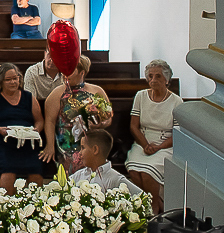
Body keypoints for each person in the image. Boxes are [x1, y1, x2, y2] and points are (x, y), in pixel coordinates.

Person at [125, 59, 182, 213]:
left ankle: (154, 207)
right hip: (144, 142)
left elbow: (178, 133)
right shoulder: (141, 96)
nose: (153, 80)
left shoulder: (176, 102)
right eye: (150, 76)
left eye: (158, 76)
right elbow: (133, 126)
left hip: (165, 144)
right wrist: (145, 145)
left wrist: (159, 146)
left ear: (167, 80)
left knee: (148, 172)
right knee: (134, 171)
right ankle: (152, 204)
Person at [0, 62, 44, 190]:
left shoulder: (29, 97)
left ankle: (35, 203)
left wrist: (36, 129)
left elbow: (39, 120)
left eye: (15, 78)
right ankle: (8, 204)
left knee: (36, 170)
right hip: (3, 142)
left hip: (27, 142)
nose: (13, 82)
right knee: (9, 169)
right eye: (8, 79)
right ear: (1, 81)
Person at [40, 55, 113, 173]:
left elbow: (108, 117)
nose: (65, 73)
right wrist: (50, 146)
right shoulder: (57, 93)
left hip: (92, 142)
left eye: (70, 71)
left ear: (82, 72)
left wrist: (101, 124)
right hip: (67, 144)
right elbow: (50, 121)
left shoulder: (97, 91)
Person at [69, 129, 143, 195]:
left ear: (95, 150)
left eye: (83, 148)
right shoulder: (78, 175)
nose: (80, 153)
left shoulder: (115, 179)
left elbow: (142, 197)